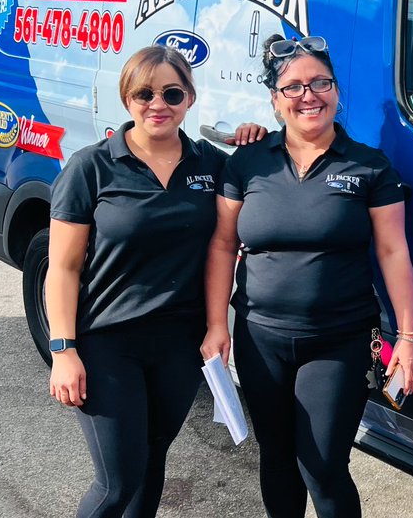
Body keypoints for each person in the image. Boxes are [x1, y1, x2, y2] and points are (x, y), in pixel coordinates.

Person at [201, 34, 413, 518]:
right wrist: (218, 325)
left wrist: (409, 337)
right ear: (275, 100)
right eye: (294, 86)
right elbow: (222, 244)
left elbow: (393, 250)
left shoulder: (368, 166)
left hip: (338, 340)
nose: (309, 95)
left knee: (322, 466)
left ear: (337, 91)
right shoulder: (248, 161)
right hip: (261, 338)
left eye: (320, 82)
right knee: (276, 458)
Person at [46, 45, 266, 518]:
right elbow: (62, 268)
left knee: (150, 464)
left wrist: (257, 140)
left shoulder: (211, 164)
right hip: (107, 342)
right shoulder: (92, 167)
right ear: (127, 98)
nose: (157, 104)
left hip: (178, 346)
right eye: (144, 93)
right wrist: (63, 349)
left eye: (171, 92)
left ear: (189, 98)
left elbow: (231, 232)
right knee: (116, 483)